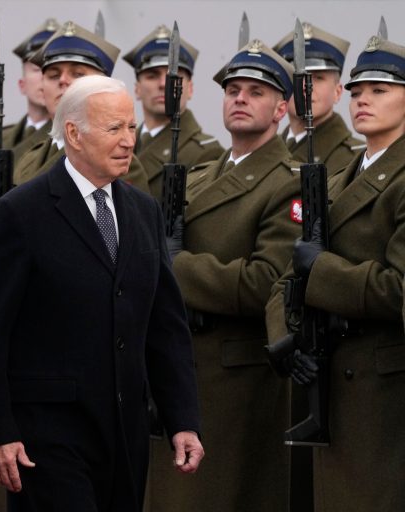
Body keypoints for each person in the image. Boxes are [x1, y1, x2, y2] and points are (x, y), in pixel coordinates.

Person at [0, 75, 202, 512]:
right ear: (74, 135)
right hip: (47, 434)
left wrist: (183, 420)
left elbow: (165, 326)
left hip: (124, 431)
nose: (127, 141)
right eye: (113, 129)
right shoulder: (21, 213)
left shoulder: (143, 211)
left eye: (131, 128)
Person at [150, 39, 301, 511]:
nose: (239, 98)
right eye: (233, 89)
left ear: (281, 108)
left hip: (235, 378)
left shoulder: (288, 181)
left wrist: (177, 266)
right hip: (179, 368)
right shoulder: (197, 176)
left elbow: (266, 281)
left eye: (255, 92)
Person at [266, 35, 405, 511]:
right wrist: (285, 336)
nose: (363, 99)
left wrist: (322, 271)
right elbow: (288, 275)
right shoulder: (342, 171)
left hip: (382, 394)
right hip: (328, 386)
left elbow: (398, 289)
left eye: (380, 90)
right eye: (358, 89)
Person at [13, 21, 151, 194]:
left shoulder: (118, 161)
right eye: (53, 75)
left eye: (78, 74)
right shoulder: (31, 157)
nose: (63, 81)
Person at [123, 25, 224, 197]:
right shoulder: (122, 142)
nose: (163, 84)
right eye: (152, 75)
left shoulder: (207, 153)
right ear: (137, 89)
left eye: (173, 76)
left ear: (190, 89)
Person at [274, 22, 364, 175]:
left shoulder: (357, 159)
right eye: (297, 77)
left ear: (337, 92)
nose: (305, 86)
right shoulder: (267, 151)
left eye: (318, 78)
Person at [0, 19, 58, 160]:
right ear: (22, 84)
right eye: (37, 69)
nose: (45, 77)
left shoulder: (68, 143)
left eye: (53, 72)